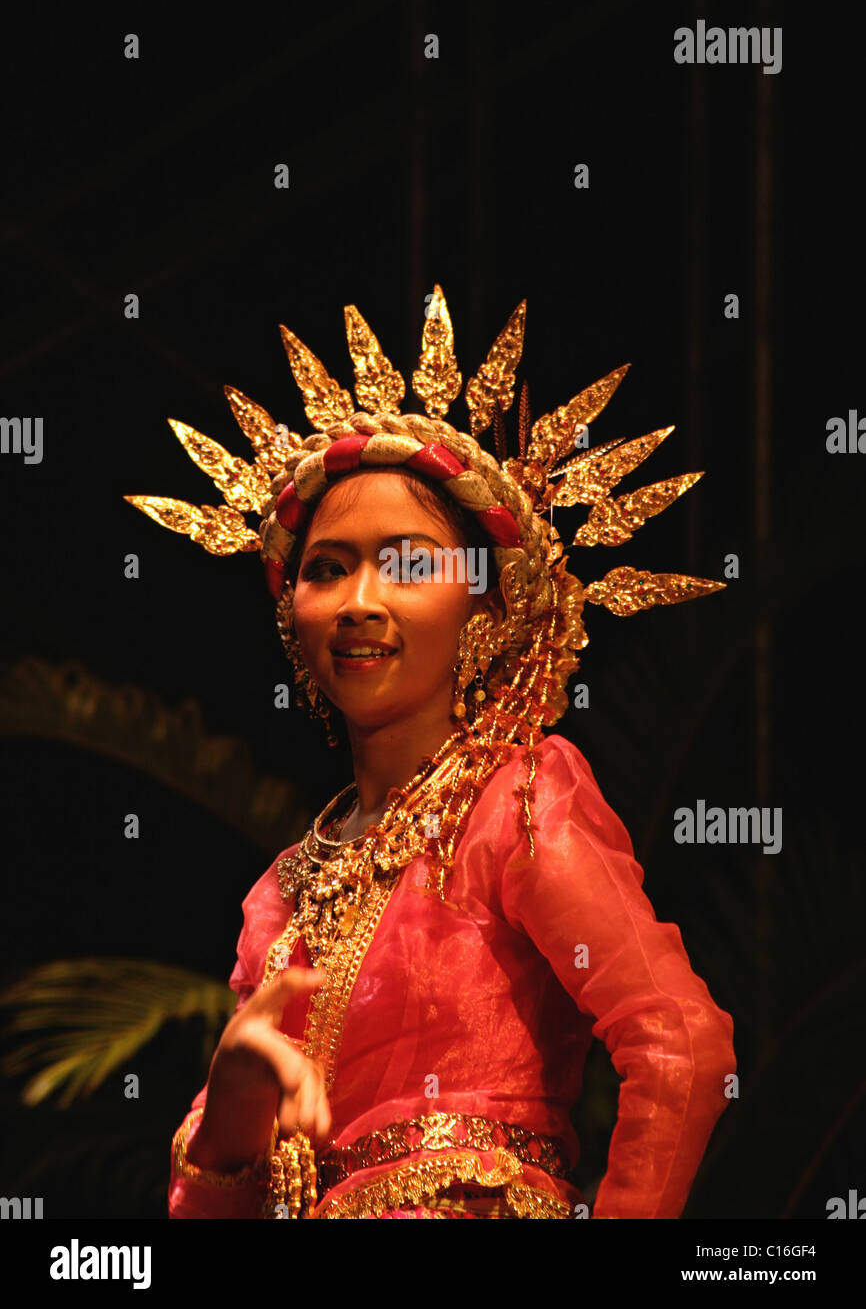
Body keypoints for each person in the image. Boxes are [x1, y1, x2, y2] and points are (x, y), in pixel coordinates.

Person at [126, 286, 736, 1219]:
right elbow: (204, 1210)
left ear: (483, 610)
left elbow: (680, 1042)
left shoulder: (519, 801)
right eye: (327, 569)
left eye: (409, 563)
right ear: (295, 619)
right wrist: (237, 1103)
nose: (361, 599)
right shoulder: (281, 896)